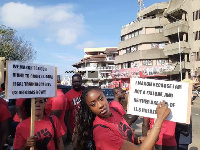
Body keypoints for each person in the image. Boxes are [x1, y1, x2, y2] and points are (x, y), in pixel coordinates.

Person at [73, 86, 171, 150]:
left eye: (101, 98)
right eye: (93, 104)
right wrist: (159, 119)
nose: (100, 105)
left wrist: (141, 139)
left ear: (105, 97)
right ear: (90, 109)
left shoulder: (114, 111)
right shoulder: (101, 132)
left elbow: (124, 136)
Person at [65, 73, 84, 138]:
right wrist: (68, 129)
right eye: (74, 82)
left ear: (81, 82)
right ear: (72, 82)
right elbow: (66, 114)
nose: (76, 83)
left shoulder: (86, 92)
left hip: (86, 126)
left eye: (78, 81)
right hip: (74, 128)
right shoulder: (67, 95)